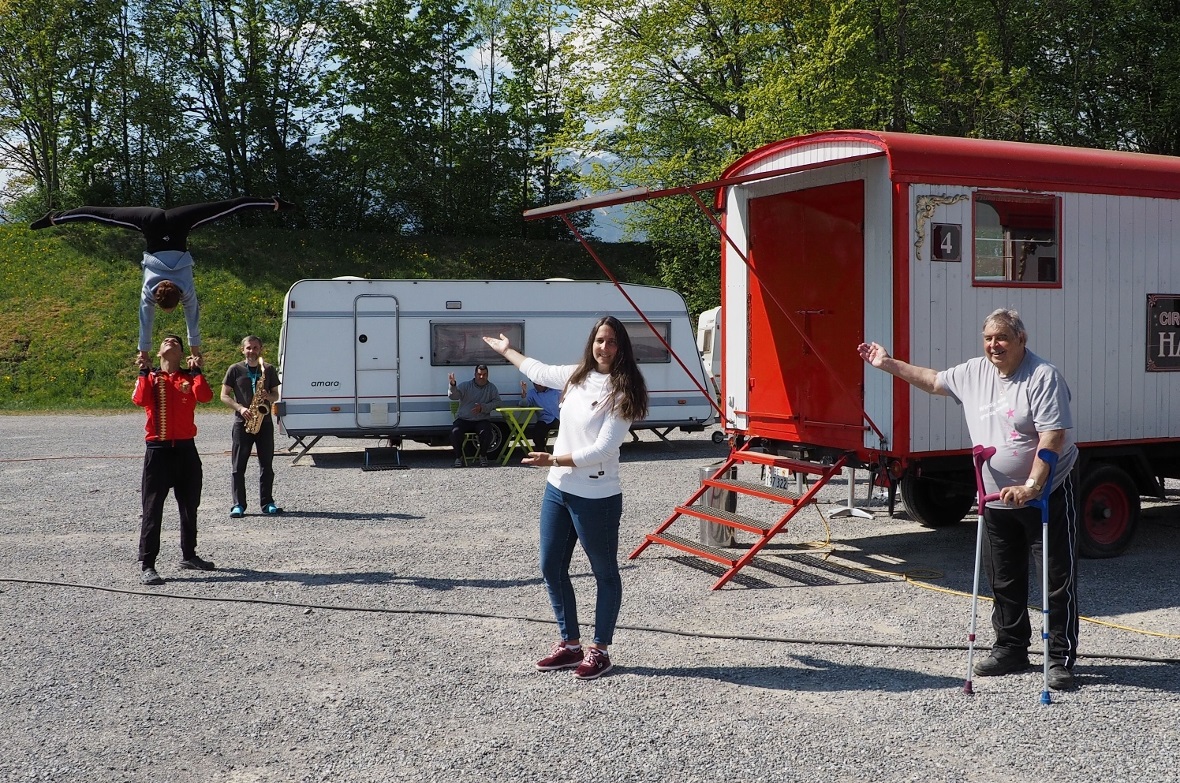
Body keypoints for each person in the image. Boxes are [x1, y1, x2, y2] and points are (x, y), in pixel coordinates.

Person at [857, 308, 1080, 690]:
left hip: (1047, 491)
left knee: (1055, 576)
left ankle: (1059, 658)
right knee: (1004, 575)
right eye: (989, 338)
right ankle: (1011, 647)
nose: (994, 345)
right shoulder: (974, 373)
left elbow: (1052, 437)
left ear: (1021, 340)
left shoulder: (1043, 377)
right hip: (994, 495)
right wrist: (887, 363)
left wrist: (1032, 485)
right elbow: (931, 380)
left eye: (1002, 338)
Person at [484, 315, 649, 680]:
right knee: (550, 566)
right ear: (591, 343)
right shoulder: (577, 376)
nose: (604, 348)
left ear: (622, 348)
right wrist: (507, 350)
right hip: (558, 489)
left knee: (604, 573)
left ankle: (600, 650)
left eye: (612, 342)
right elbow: (538, 371)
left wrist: (552, 459)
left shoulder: (624, 390)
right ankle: (570, 645)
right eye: (600, 341)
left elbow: (603, 450)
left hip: (596, 495)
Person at [29, 196, 295, 368]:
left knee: (98, 213)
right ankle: (274, 203)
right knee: (228, 206)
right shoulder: (149, 291)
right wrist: (145, 353)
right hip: (151, 221)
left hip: (175, 223)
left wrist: (194, 351)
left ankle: (54, 217)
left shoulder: (186, 291)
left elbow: (192, 319)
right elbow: (146, 321)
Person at [131, 334, 216, 586]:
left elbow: (205, 396)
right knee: (152, 508)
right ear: (158, 352)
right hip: (158, 450)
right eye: (166, 341)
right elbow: (140, 399)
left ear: (182, 354)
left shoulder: (188, 378)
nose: (171, 343)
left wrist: (197, 369)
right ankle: (148, 564)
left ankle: (189, 555)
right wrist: (144, 372)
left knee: (190, 505)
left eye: (176, 342)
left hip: (186, 450)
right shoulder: (152, 377)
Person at [220, 335, 283, 518]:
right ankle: (238, 504)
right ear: (243, 350)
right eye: (248, 348)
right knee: (238, 466)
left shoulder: (268, 369)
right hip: (243, 423)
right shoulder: (235, 369)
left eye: (255, 348)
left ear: (260, 349)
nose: (252, 351)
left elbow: (275, 395)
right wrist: (240, 408)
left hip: (264, 423)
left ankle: (267, 502)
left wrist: (267, 397)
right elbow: (224, 395)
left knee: (267, 466)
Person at [448, 364, 503, 467]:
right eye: (479, 374)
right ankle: (458, 457)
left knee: (486, 431)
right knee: (455, 432)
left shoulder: (491, 388)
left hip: (481, 419)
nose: (481, 377)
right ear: (475, 374)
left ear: (488, 375)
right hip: (464, 419)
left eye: (484, 374)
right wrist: (452, 385)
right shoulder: (466, 386)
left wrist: (483, 407)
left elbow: (498, 403)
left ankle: (483, 456)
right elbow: (453, 396)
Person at [519, 379, 561, 454]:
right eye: (534, 384)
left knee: (570, 428)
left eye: (538, 384)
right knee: (537, 433)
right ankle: (542, 452)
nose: (536, 386)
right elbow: (523, 404)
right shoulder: (532, 393)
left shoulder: (555, 391)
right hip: (545, 419)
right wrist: (524, 392)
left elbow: (564, 401)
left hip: (558, 417)